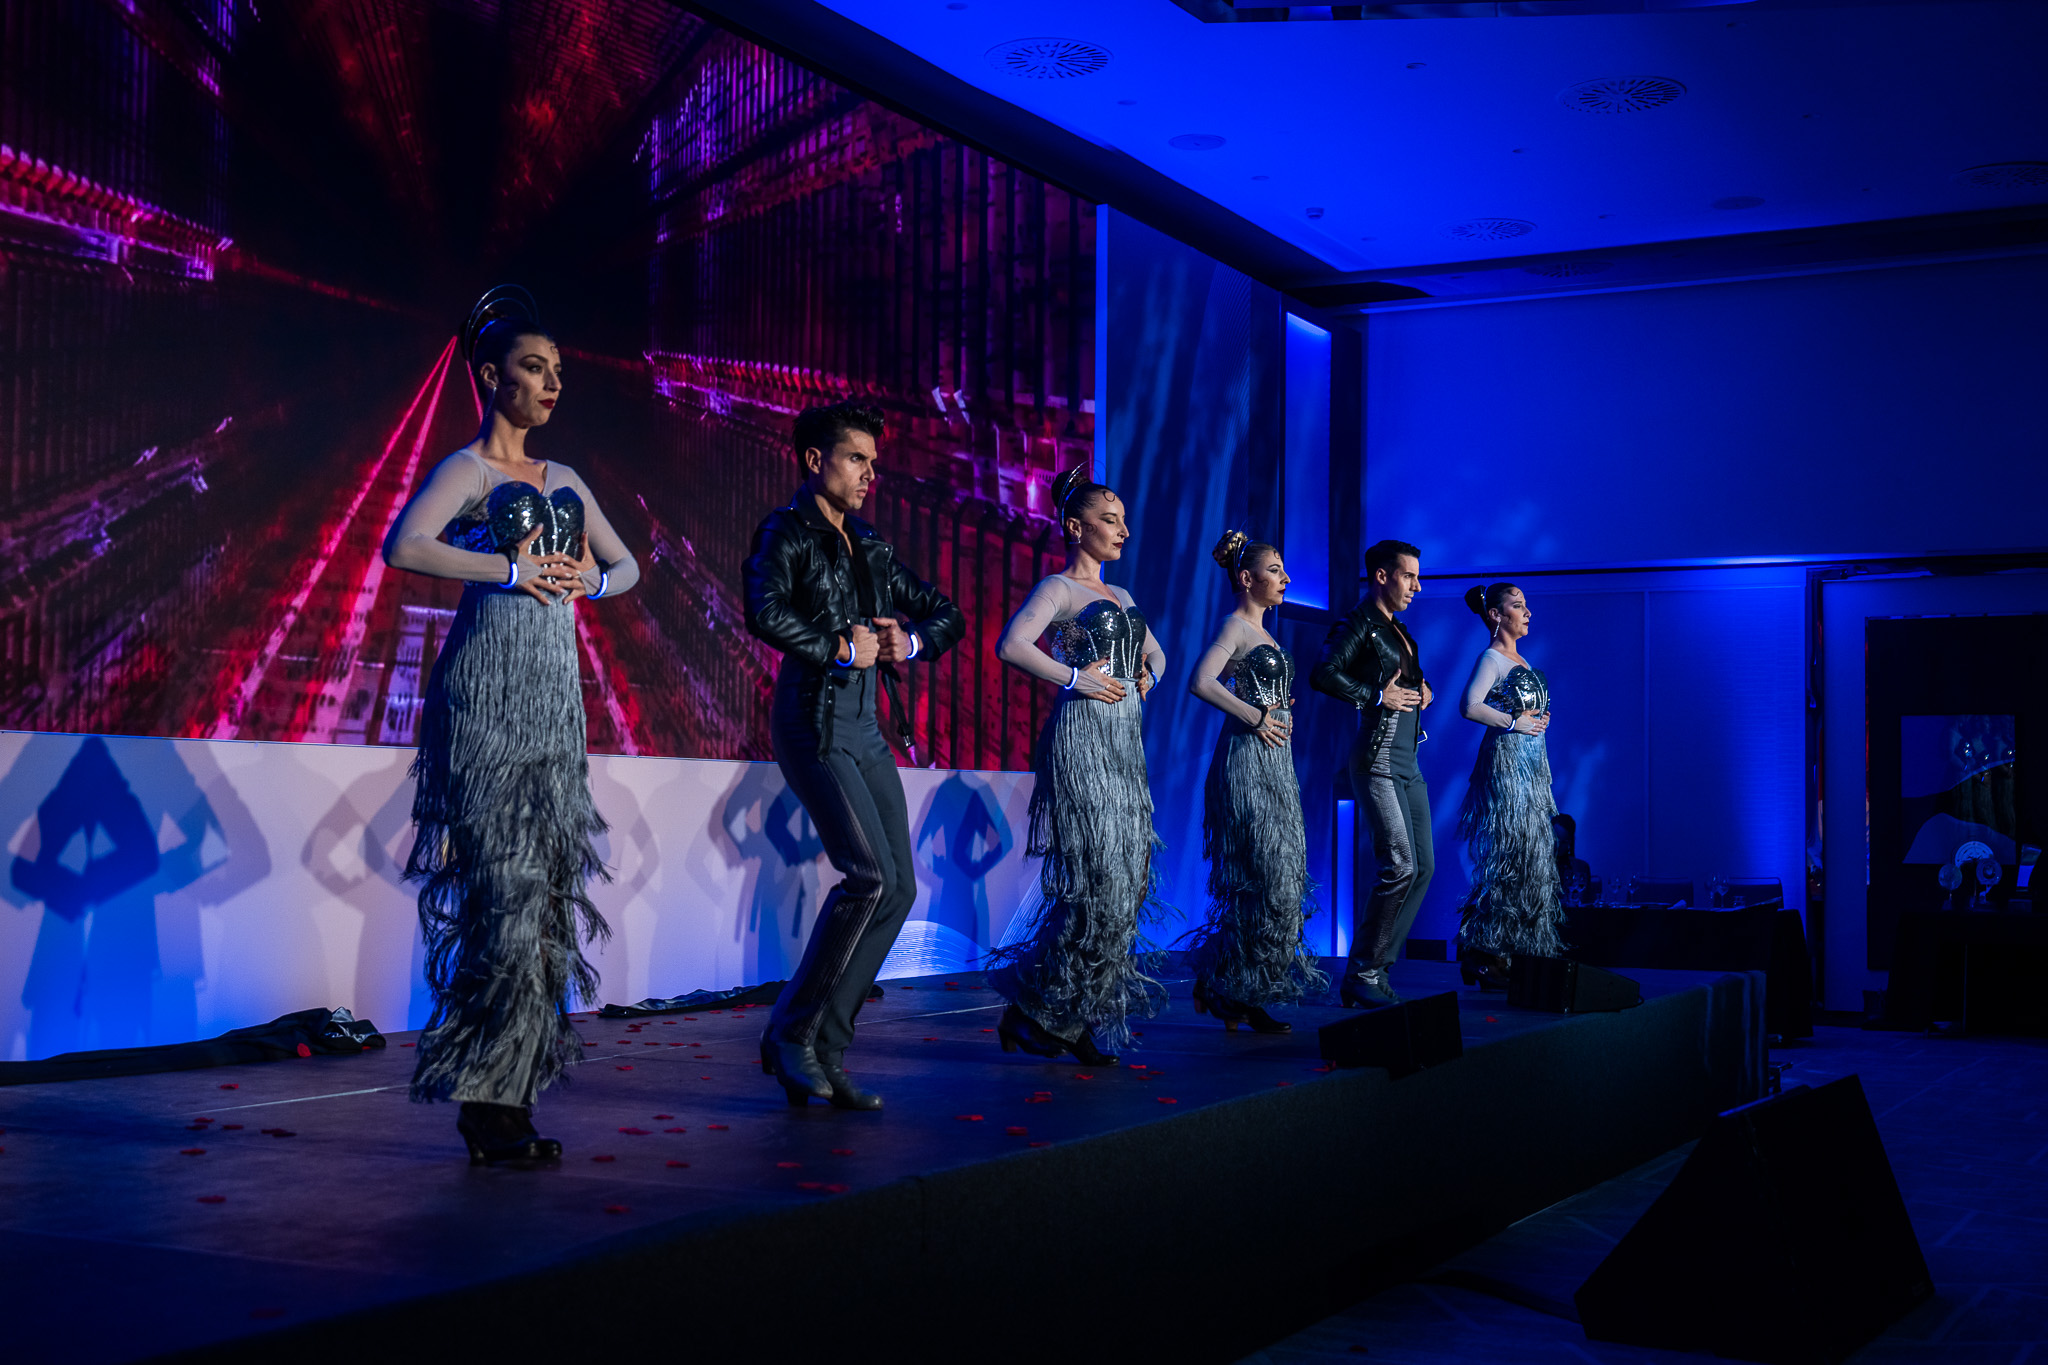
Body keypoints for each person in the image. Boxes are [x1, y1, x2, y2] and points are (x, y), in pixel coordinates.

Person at [382, 285, 641, 1165]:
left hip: (554, 705)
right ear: (492, 377)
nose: (552, 382)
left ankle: (512, 1091)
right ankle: (488, 1101)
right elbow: (405, 545)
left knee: (544, 900)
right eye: (535, 367)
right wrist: (505, 569)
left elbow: (627, 565)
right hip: (486, 699)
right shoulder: (469, 471)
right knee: (504, 901)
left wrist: (588, 582)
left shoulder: (565, 479)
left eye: (558, 369)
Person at [743, 398, 963, 1109]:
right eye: (857, 459)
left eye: (873, 461)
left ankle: (827, 1048)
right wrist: (839, 647)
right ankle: (791, 1032)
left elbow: (947, 613)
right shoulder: (787, 530)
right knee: (867, 876)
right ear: (816, 461)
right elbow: (763, 608)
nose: (871, 473)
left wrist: (912, 640)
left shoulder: (869, 544)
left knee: (897, 888)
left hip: (867, 728)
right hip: (813, 721)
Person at [984, 465, 1169, 1066]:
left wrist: (1148, 673)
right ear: (1074, 526)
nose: (1123, 531)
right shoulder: (1059, 588)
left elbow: (1159, 655)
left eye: (1123, 521)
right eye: (1109, 520)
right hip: (1083, 741)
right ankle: (1037, 1009)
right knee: (1095, 880)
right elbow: (1012, 645)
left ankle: (1078, 1010)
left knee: (1129, 883)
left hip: (1126, 747)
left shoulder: (1125, 597)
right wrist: (1073, 678)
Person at [1182, 531, 1326, 1032]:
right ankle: (1231, 985)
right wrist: (1255, 716)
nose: (1285, 579)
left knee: (1279, 881)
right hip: (1246, 764)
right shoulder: (1236, 626)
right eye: (1275, 570)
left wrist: (1276, 711)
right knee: (1261, 879)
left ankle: (1240, 984)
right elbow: (1201, 681)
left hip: (1276, 768)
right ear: (1247, 578)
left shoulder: (1265, 634)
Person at [1309, 539, 1433, 1009]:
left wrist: (1422, 688)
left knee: (1423, 868)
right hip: (1378, 760)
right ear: (1382, 576)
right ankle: (1362, 972)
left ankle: (1377, 968)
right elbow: (1324, 673)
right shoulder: (1357, 622)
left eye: (1417, 577)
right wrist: (1377, 696)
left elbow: (1400, 678)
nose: (1416, 586)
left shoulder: (1397, 629)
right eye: (1408, 576)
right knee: (1399, 865)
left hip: (1408, 763)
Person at [1454, 582, 1560, 988]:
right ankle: (1484, 952)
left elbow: (1524, 708)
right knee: (1509, 856)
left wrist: (1537, 720)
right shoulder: (1492, 658)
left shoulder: (1522, 660)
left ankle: (1513, 952)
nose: (1527, 612)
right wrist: (1513, 722)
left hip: (1531, 764)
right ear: (1496, 615)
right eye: (1517, 606)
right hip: (1508, 764)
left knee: (1531, 857)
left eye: (1526, 605)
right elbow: (1469, 705)